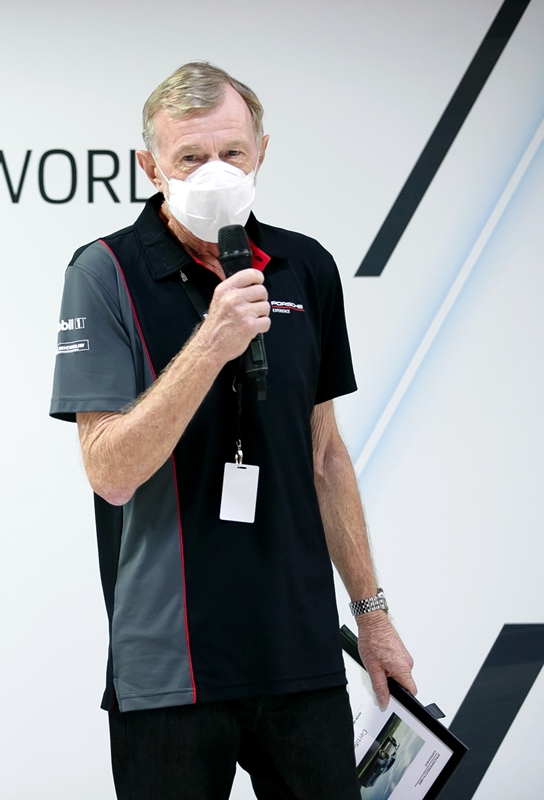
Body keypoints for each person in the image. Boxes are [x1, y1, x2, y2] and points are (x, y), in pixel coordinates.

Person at [48, 62, 417, 799]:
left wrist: (372, 616)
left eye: (232, 152)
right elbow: (109, 472)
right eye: (189, 157)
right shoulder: (104, 272)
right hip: (171, 665)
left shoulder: (306, 266)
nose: (214, 171)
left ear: (262, 153)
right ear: (150, 166)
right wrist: (212, 343)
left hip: (299, 651)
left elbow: (325, 457)